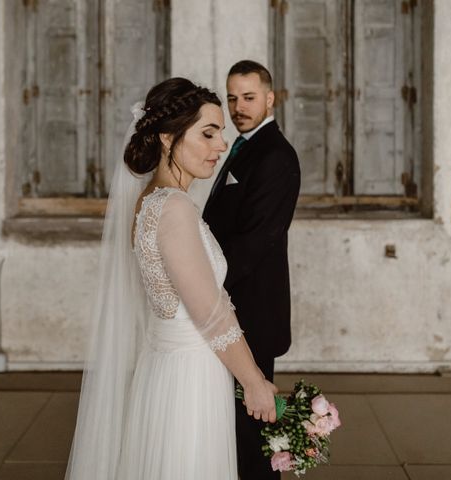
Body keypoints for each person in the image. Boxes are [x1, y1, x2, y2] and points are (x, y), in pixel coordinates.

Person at [66, 77, 278, 480]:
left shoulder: (151, 200)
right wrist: (254, 382)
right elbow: (210, 312)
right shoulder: (175, 208)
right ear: (168, 138)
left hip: (167, 364)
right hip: (190, 376)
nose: (220, 145)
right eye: (208, 133)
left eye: (222, 134)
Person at [203, 60, 301, 479]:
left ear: (270, 98)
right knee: (239, 427)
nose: (238, 106)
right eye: (231, 98)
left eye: (248, 97)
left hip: (251, 313)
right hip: (232, 308)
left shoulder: (275, 155)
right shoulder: (243, 145)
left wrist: (204, 283)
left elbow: (256, 240)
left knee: (253, 428)